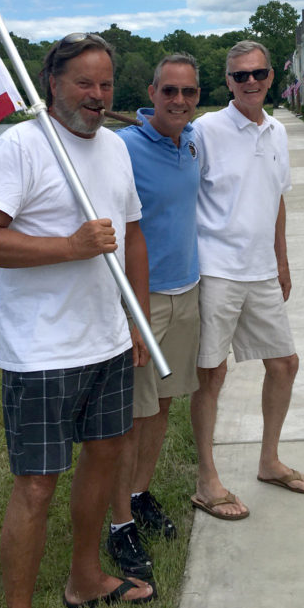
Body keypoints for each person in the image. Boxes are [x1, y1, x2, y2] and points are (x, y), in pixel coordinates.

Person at [0, 33, 155, 608]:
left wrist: (139, 322)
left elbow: (134, 236)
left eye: (105, 84)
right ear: (54, 85)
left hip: (107, 340)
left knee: (104, 460)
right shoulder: (20, 146)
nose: (97, 96)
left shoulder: (117, 149)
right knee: (38, 485)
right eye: (84, 84)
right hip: (39, 350)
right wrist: (69, 247)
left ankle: (85, 577)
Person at [189, 40, 304, 521]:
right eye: (240, 76)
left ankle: (269, 461)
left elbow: (277, 198)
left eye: (258, 73)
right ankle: (207, 478)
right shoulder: (206, 130)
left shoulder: (277, 133)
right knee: (212, 373)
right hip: (216, 269)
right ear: (228, 82)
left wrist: (281, 261)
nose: (250, 83)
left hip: (262, 270)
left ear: (269, 77)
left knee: (284, 363)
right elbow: (184, 196)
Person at [107, 53, 201, 569]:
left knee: (162, 407)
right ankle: (118, 524)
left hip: (187, 292)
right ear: (151, 92)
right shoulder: (123, 148)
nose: (179, 100)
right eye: (170, 91)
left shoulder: (190, 142)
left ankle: (140, 495)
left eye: (188, 92)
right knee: (130, 419)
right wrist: (130, 312)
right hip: (141, 302)